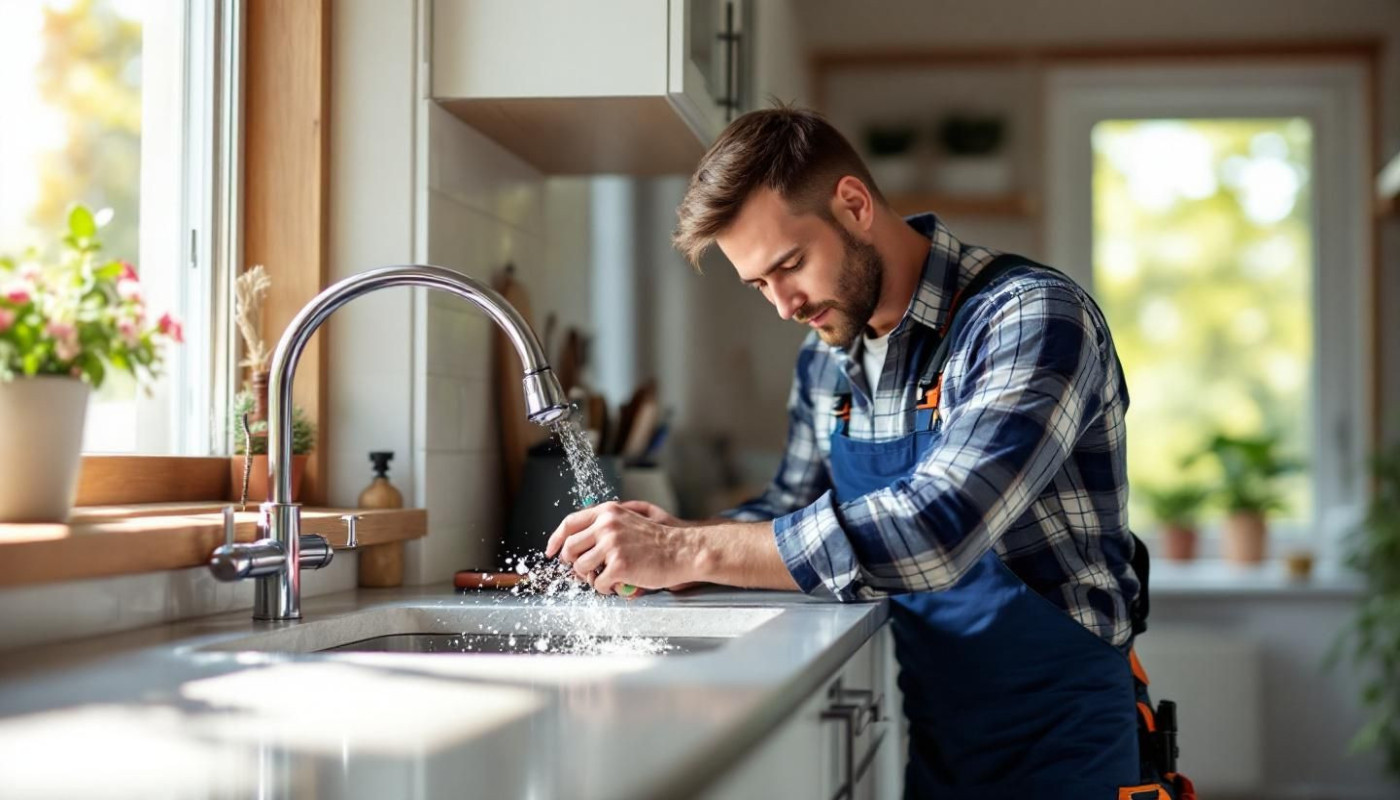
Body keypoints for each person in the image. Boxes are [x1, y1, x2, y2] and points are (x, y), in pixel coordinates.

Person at [546, 106, 1193, 800]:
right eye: (759, 283)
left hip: (1063, 742)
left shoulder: (1028, 318)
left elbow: (938, 528)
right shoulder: (828, 358)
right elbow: (788, 506)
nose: (784, 305)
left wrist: (690, 554)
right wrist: (673, 534)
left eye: (790, 265)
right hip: (941, 734)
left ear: (853, 205)